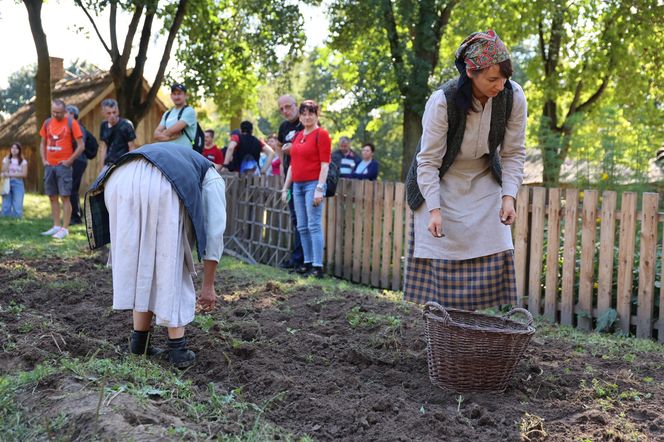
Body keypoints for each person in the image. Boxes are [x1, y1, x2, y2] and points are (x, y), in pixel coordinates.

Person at [404, 30, 527, 310]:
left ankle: (472, 325)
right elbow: (428, 161)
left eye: (505, 77)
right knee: (441, 253)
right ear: (471, 73)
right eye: (492, 79)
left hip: (484, 178)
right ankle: (442, 326)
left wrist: (509, 196)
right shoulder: (442, 100)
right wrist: (434, 210)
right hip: (440, 179)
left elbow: (513, 153)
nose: (500, 85)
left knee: (497, 243)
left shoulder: (513, 97)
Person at [85, 142, 226, 368]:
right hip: (161, 182)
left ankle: (139, 342)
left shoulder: (186, 159)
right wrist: (208, 286)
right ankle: (178, 348)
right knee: (170, 259)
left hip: (118, 176)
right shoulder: (213, 177)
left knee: (141, 258)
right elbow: (214, 233)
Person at [280, 100, 331, 279]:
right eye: (304, 113)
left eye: (311, 113)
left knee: (313, 224)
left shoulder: (321, 134)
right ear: (300, 116)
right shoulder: (297, 136)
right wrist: (286, 187)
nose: (307, 117)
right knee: (301, 226)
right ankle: (307, 262)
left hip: (312, 184)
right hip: (297, 186)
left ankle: (317, 266)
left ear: (317, 115)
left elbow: (325, 165)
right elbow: (293, 165)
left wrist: (319, 188)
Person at [39, 99, 85, 239]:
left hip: (63, 166)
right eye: (53, 112)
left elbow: (81, 145)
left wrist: (70, 160)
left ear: (65, 111)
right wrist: (44, 160)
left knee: (65, 197)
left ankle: (65, 228)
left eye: (59, 112)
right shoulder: (47, 123)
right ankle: (56, 226)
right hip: (49, 166)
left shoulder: (72, 123)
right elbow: (43, 143)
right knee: (52, 196)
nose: (56, 114)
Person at [276, 94, 304, 270]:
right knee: (296, 219)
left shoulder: (306, 122)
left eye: (288, 106)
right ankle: (297, 258)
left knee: (305, 221)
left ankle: (303, 260)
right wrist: (281, 165)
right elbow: (279, 145)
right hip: (290, 178)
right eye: (281, 109)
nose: (285, 111)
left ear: (296, 105)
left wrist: (293, 150)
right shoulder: (284, 127)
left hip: (306, 178)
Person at [65, 105, 94, 225]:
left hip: (77, 160)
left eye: (66, 113)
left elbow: (79, 146)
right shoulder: (73, 126)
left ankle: (75, 217)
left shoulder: (77, 127)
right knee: (73, 188)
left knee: (71, 188)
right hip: (77, 160)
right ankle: (78, 213)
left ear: (72, 114)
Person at [99, 98, 136, 176]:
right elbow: (103, 147)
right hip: (108, 164)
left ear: (118, 111)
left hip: (123, 164)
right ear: (103, 113)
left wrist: (130, 167)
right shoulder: (104, 125)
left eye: (114, 112)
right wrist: (101, 168)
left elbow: (132, 148)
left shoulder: (127, 125)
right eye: (108, 113)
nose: (112, 115)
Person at [1, 142, 28, 217]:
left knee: (18, 204)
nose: (14, 150)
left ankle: (17, 218)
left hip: (18, 183)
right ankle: (5, 216)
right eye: (12, 148)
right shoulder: (6, 159)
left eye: (16, 148)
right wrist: (7, 162)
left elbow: (24, 174)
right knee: (6, 203)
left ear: (19, 150)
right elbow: (3, 170)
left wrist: (10, 174)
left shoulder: (23, 161)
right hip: (7, 182)